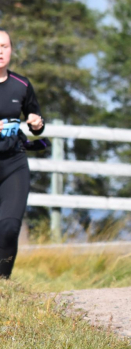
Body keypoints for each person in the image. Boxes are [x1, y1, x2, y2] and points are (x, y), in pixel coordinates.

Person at [0, 29, 46, 278]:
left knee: (8, 228)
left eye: (4, 46)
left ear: (11, 50)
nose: (0, 51)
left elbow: (36, 120)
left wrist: (37, 124)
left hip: (13, 164)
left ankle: (3, 283)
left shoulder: (22, 85)